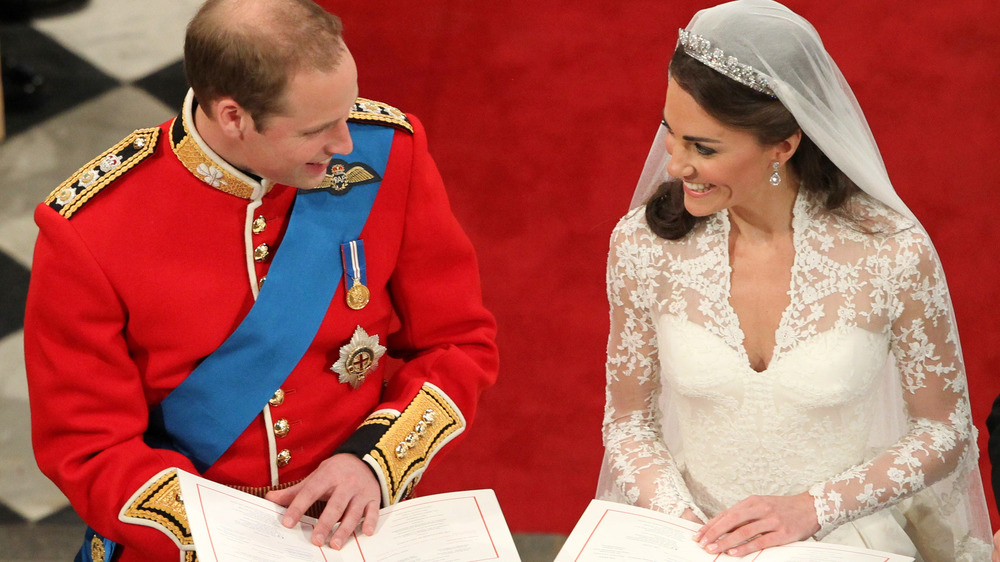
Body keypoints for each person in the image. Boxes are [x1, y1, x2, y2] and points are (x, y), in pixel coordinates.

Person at [23, 0, 498, 560]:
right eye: (317, 129)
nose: (347, 144)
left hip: (355, 524)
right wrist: (225, 539)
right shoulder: (90, 229)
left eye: (347, 111)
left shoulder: (390, 152)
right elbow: (90, 446)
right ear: (233, 117)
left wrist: (373, 462)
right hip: (190, 540)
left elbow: (458, 343)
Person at [598, 0, 991, 559]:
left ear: (782, 146)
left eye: (703, 148)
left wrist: (815, 507)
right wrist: (693, 534)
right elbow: (629, 424)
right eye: (671, 133)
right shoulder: (642, 246)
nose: (675, 165)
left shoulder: (892, 251)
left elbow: (945, 431)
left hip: (843, 542)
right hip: (689, 541)